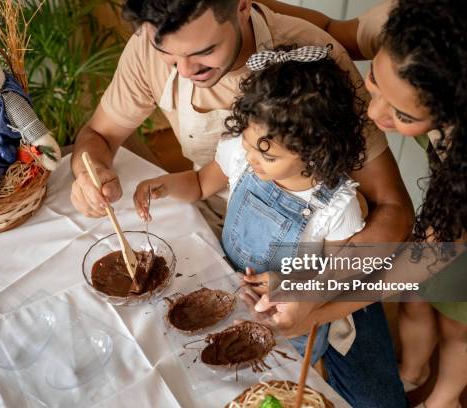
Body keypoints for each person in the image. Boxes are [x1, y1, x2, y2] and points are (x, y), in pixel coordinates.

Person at [245, 1, 467, 407]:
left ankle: (445, 399)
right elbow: (328, 26)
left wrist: (315, 307)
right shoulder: (418, 30)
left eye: (403, 114)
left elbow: (422, 258)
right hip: (455, 205)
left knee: (462, 318)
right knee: (422, 295)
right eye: (374, 80)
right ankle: (414, 372)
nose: (373, 114)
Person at [134, 45, 405, 408]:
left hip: (288, 312)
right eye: (247, 145)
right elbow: (200, 184)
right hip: (229, 282)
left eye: (268, 155)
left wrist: (290, 284)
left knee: (270, 381)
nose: (252, 160)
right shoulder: (241, 157)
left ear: (315, 151)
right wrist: (165, 184)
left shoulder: (338, 207)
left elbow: (337, 275)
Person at [69, 0, 413, 242]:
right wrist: (91, 173)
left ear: (243, 6)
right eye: (169, 56)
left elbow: (394, 209)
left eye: (202, 51)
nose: (186, 71)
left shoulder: (312, 61)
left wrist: (314, 290)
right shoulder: (148, 46)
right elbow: (98, 135)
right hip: (211, 223)